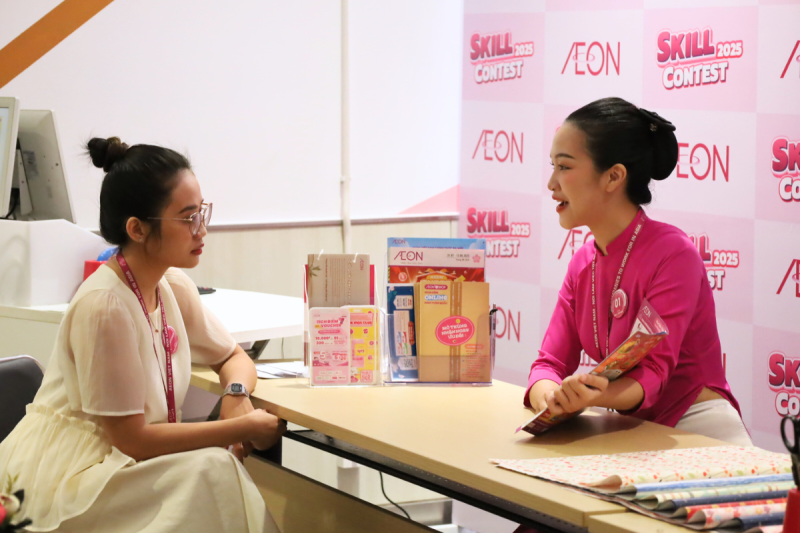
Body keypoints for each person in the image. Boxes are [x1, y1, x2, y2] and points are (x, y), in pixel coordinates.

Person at [0, 137, 285, 532]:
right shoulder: (105, 307)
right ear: (137, 229)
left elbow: (231, 356)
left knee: (212, 471)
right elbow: (131, 440)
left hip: (125, 463)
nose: (201, 230)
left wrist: (236, 395)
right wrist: (242, 427)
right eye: (188, 218)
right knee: (213, 470)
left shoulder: (171, 286)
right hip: (75, 476)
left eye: (202, 212)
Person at [525, 97, 751, 446]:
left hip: (697, 430)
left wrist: (590, 397)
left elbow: (652, 374)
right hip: (630, 432)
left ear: (614, 176)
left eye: (565, 167)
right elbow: (548, 364)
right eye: (553, 166)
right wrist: (552, 399)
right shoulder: (582, 262)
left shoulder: (674, 253)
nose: (552, 183)